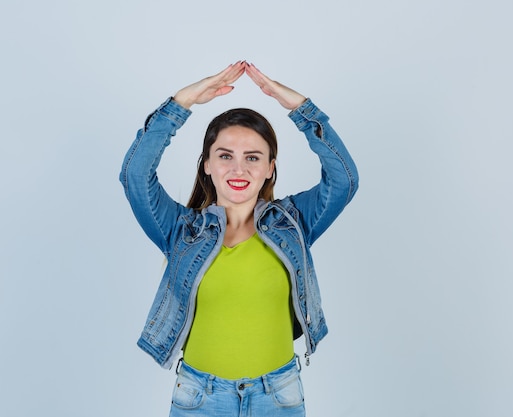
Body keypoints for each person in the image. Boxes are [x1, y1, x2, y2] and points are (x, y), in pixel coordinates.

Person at [120, 61, 359, 417]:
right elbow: (135, 176)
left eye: (253, 158)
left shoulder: (293, 223)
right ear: (207, 165)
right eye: (225, 156)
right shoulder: (181, 231)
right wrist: (181, 103)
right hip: (199, 398)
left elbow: (344, 180)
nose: (239, 169)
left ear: (269, 168)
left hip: (278, 396)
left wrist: (301, 110)